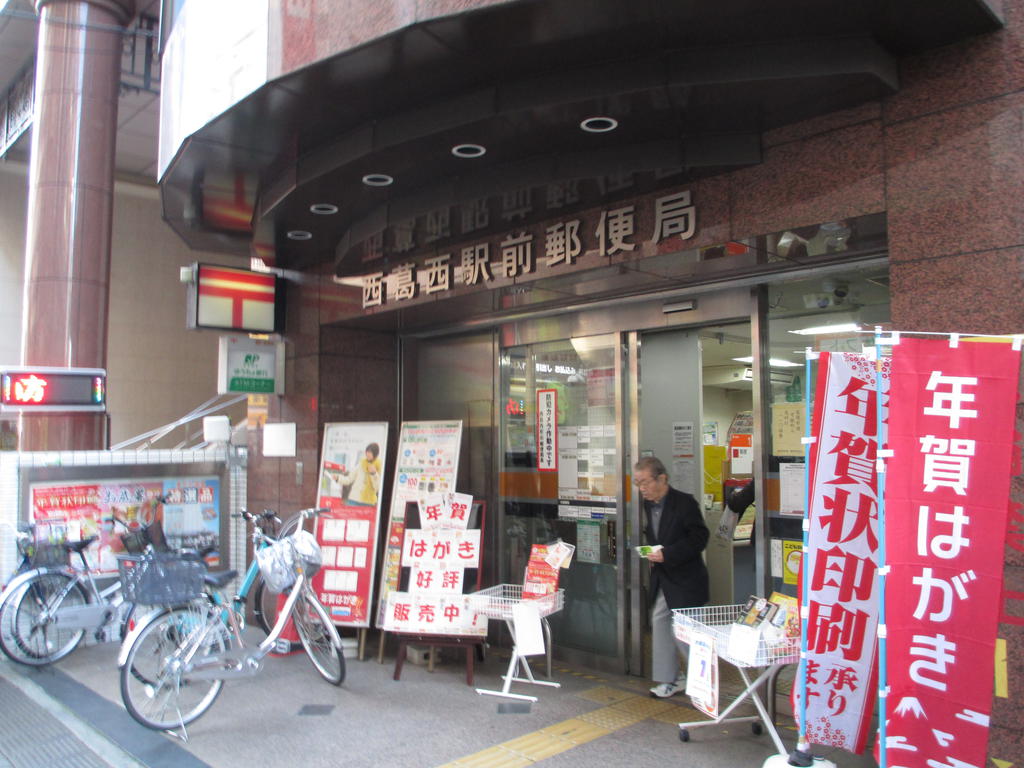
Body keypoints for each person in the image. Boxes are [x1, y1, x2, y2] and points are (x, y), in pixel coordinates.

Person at [634, 456, 710, 698]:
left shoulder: (684, 503)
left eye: (645, 483)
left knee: (683, 629)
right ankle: (671, 679)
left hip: (686, 578)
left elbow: (699, 538)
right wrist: (653, 552)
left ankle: (701, 680)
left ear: (662, 479)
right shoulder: (646, 506)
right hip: (664, 577)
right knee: (660, 621)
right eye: (638, 483)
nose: (642, 489)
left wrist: (668, 554)